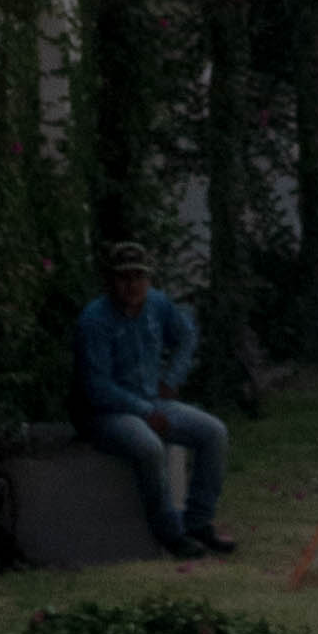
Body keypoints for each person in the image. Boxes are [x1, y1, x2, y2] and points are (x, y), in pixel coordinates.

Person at [72, 238, 235, 557]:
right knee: (148, 447)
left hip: (150, 399)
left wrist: (171, 378)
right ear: (110, 281)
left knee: (213, 432)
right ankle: (169, 534)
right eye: (124, 277)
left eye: (139, 276)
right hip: (106, 411)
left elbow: (186, 334)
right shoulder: (95, 321)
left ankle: (198, 523)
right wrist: (145, 410)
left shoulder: (157, 304)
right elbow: (96, 386)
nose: (133, 284)